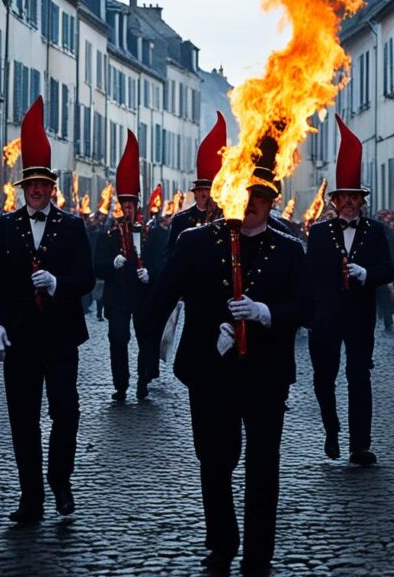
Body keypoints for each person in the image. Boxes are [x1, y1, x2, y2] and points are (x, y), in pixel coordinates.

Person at [147, 132, 305, 577]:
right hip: (210, 373)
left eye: (260, 195)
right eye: (246, 192)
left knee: (262, 465)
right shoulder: (197, 241)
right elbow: (161, 297)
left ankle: (259, 553)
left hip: (265, 375)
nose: (251, 201)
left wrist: (266, 313)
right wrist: (197, 331)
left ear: (272, 201)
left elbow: (308, 307)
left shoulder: (290, 248)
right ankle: (221, 539)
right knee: (215, 460)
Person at [0, 97, 95, 524]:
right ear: (22, 188)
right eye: (30, 183)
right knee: (23, 420)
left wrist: (58, 283)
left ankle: (60, 479)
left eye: (43, 183)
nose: (36, 189)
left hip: (62, 335)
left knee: (66, 411)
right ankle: (31, 497)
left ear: (52, 187)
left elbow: (86, 278)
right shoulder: (2, 228)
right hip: (20, 338)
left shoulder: (72, 227)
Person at [304, 115, 393, 465]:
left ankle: (360, 444)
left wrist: (366, 273)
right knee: (323, 378)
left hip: (359, 316)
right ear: (335, 201)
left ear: (362, 201)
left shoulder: (374, 231)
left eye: (355, 198)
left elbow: (389, 270)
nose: (350, 203)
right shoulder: (318, 233)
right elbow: (308, 275)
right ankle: (331, 428)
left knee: (359, 377)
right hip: (325, 318)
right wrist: (307, 313)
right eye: (344, 198)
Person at [94, 131, 156, 401]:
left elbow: (161, 262)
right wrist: (112, 263)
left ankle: (144, 380)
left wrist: (150, 274)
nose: (128, 209)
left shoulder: (150, 233)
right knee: (118, 339)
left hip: (142, 296)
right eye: (125, 204)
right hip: (118, 297)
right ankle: (121, 383)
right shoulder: (108, 234)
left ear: (137, 205)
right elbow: (97, 266)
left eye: (132, 204)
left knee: (145, 340)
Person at [167, 111, 226, 256]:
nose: (205, 194)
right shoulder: (181, 220)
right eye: (202, 190)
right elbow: (170, 254)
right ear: (196, 193)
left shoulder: (226, 219)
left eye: (209, 190)